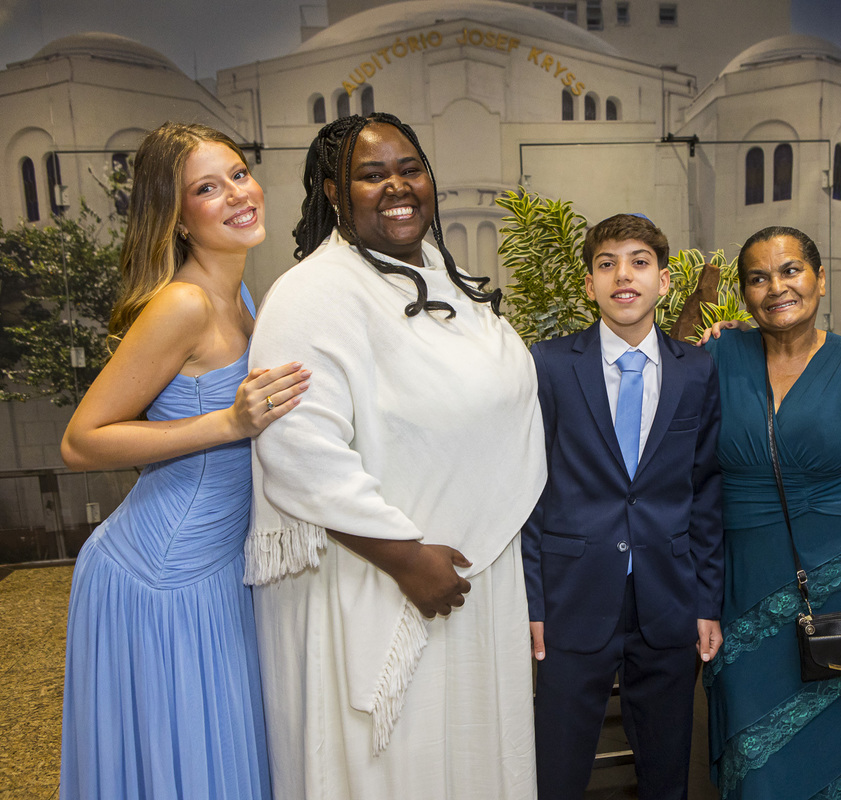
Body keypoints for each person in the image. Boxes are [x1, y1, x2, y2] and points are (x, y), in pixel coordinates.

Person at [244, 113, 546, 799]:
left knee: (473, 755)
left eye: (410, 169)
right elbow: (299, 450)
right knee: (399, 765)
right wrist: (408, 560)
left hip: (472, 567)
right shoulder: (312, 293)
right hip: (381, 574)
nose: (398, 186)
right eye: (371, 174)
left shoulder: (445, 276)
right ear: (332, 191)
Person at [58, 122, 309, 799]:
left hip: (220, 571)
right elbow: (81, 441)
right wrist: (227, 422)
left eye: (238, 174)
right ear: (176, 217)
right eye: (207, 188)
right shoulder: (184, 304)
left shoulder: (243, 296)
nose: (237, 194)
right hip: (162, 578)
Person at [701, 226, 841, 800]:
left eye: (790, 271)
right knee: (757, 756)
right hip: (746, 584)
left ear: (820, 279)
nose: (776, 287)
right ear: (744, 294)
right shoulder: (718, 356)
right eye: (758, 278)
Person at [522, 213, 724, 800]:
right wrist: (531, 600)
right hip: (571, 598)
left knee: (667, 771)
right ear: (590, 285)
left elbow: (705, 490)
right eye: (607, 264)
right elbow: (529, 490)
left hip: (668, 598)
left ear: (665, 281)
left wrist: (706, 601)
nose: (624, 276)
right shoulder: (549, 365)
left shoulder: (698, 369)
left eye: (639, 262)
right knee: (557, 771)